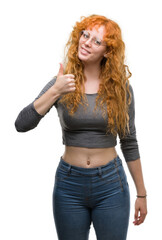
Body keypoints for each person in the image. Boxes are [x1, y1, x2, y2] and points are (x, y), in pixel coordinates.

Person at [15, 14, 147, 240]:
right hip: (69, 184)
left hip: (111, 185)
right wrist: (55, 91)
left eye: (97, 41)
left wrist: (142, 195)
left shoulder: (120, 89)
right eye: (85, 35)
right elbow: (22, 124)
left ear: (107, 51)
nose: (86, 42)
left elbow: (129, 141)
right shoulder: (62, 82)